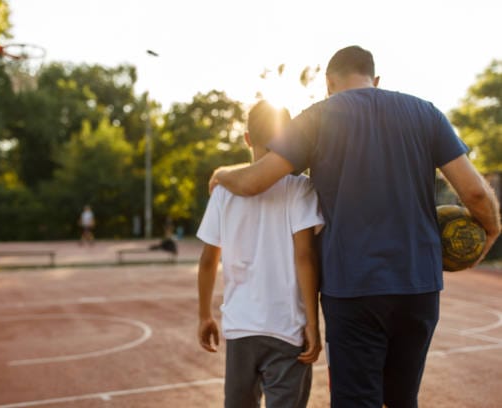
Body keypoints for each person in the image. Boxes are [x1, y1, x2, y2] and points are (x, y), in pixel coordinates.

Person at [209, 46, 501, 407]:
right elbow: (474, 192)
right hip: (419, 286)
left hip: (352, 289)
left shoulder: (317, 117)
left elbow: (255, 181)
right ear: (374, 79)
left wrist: (222, 174)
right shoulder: (425, 112)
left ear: (329, 83)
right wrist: (491, 232)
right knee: (402, 398)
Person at [197, 100, 325, 408]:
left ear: (247, 138)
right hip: (287, 329)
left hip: (241, 327)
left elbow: (208, 261)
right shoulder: (300, 188)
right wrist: (313, 323)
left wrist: (204, 315)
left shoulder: (222, 192)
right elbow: (305, 257)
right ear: (290, 138)